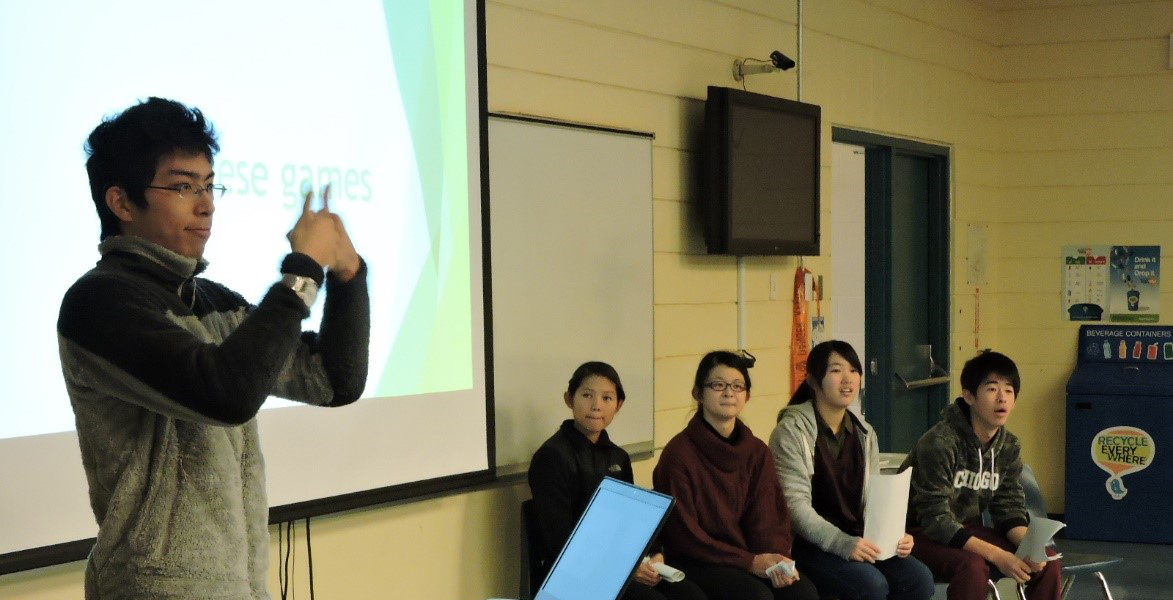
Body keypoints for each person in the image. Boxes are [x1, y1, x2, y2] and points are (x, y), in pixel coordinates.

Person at [57, 97, 370, 599]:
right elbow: (225, 394)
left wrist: (348, 275)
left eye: (208, 185)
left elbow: (334, 381)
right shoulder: (99, 303)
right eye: (182, 186)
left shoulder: (217, 303)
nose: (206, 204)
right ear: (121, 203)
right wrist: (302, 273)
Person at [769, 340, 934, 600]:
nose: (848, 379)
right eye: (836, 371)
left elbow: (873, 499)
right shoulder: (791, 432)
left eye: (854, 370)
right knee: (871, 585)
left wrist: (895, 536)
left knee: (918, 579)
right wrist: (842, 544)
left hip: (859, 539)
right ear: (813, 381)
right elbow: (795, 508)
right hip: (810, 545)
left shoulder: (864, 433)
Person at [528, 361, 706, 600]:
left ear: (619, 405)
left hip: (618, 564)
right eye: (587, 395)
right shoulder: (552, 456)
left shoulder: (618, 457)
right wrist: (624, 569)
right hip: (573, 574)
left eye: (607, 398)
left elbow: (632, 521)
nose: (596, 406)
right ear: (569, 399)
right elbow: (560, 540)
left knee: (690, 595)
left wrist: (653, 554)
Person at [653, 351, 819, 600]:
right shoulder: (678, 454)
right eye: (718, 385)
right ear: (698, 393)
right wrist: (750, 562)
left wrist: (775, 559)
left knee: (802, 592)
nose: (729, 393)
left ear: (747, 396)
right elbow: (685, 536)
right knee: (755, 596)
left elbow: (770, 518)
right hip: (699, 561)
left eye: (737, 386)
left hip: (749, 556)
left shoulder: (757, 451)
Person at [900, 351, 1061, 600]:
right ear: (969, 395)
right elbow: (935, 519)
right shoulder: (940, 442)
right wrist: (998, 555)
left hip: (966, 529)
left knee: (1046, 561)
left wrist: (1029, 547)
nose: (1002, 398)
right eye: (992, 389)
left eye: (1009, 390)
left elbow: (1009, 509)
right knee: (973, 566)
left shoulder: (1008, 446)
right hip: (917, 534)